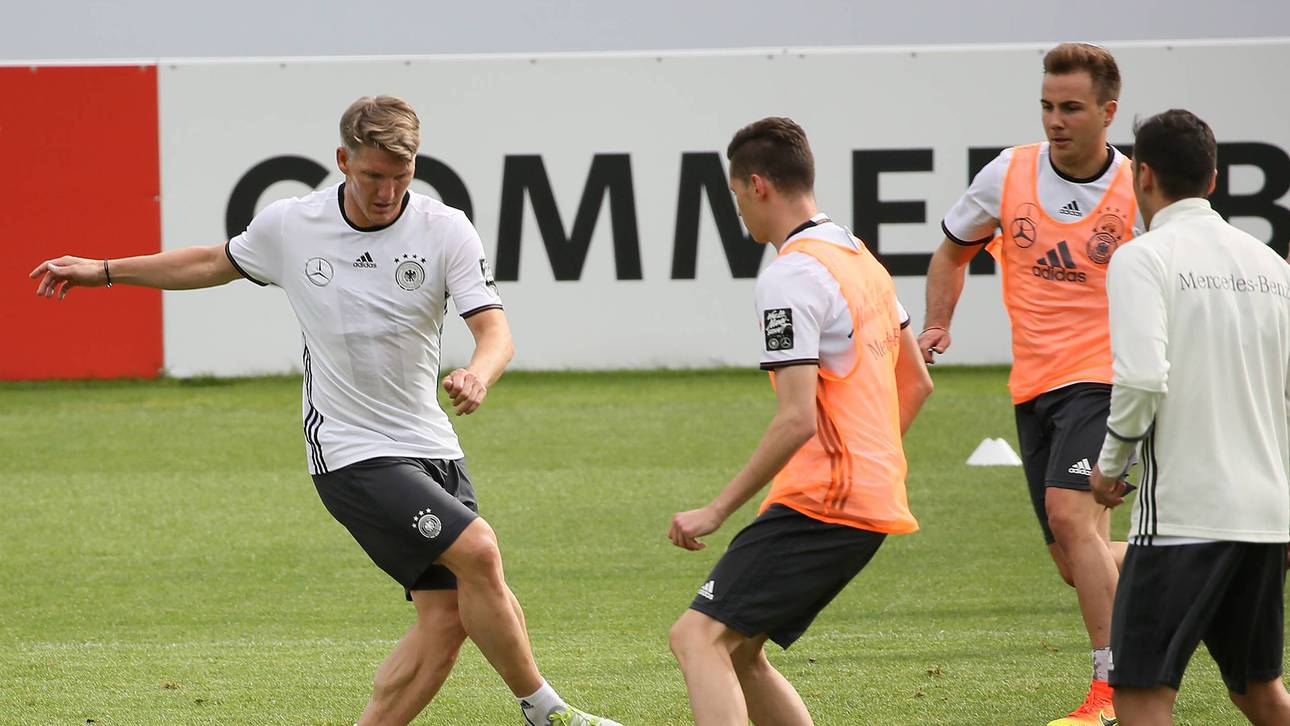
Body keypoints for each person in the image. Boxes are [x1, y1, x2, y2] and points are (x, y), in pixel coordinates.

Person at [29, 95, 620, 726]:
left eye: (401, 175)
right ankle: (547, 712)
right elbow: (209, 262)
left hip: (433, 444)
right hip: (349, 450)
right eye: (373, 176)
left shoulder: (445, 228)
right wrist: (106, 270)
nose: (388, 191)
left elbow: (496, 331)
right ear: (343, 160)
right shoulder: (292, 223)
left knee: (448, 620)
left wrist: (479, 372)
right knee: (478, 551)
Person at [666, 116, 933, 726]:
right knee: (741, 653)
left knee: (697, 639)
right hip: (868, 495)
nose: (739, 213)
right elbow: (916, 382)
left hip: (825, 498)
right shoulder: (856, 254)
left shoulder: (789, 275)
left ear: (758, 185)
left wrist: (716, 509)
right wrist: (872, 462)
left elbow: (797, 419)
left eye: (736, 196)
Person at [920, 42, 1140, 725]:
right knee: (1079, 563)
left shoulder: (1140, 190)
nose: (1055, 120)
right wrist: (936, 325)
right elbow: (953, 251)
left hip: (1108, 381)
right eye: (1047, 106)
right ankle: (1221, 554)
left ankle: (1111, 695)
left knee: (1074, 516)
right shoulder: (1008, 173)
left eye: (1071, 108)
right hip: (1035, 389)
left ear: (1108, 111)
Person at [1090, 109, 1290, 725]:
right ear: (1212, 178)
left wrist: (1108, 468)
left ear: (1141, 175)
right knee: (1258, 690)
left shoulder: (1143, 257)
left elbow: (1144, 378)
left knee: (1140, 696)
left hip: (1182, 516)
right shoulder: (1272, 266)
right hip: (1264, 514)